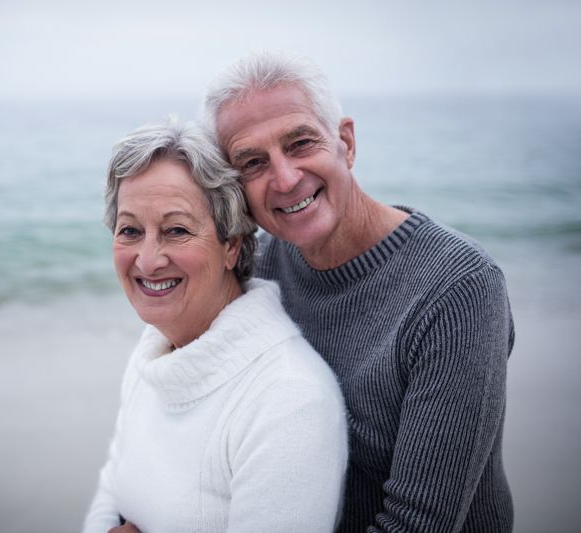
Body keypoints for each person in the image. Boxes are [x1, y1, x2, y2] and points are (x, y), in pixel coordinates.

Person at [204, 51, 515, 532]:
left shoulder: (458, 290)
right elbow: (196, 431)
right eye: (253, 162)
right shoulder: (256, 268)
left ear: (345, 143)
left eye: (301, 142)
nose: (285, 179)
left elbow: (417, 525)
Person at [82, 120, 348, 533]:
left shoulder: (289, 400)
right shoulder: (153, 349)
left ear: (232, 246)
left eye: (176, 230)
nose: (148, 260)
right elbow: (111, 488)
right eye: (130, 230)